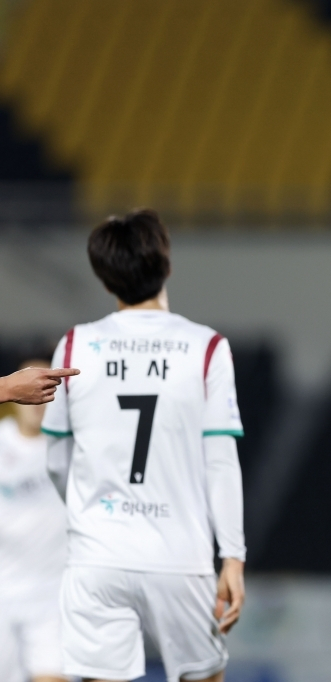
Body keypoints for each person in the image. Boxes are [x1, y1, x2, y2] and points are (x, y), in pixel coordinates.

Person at [42, 210, 246, 682]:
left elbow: (55, 460)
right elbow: (220, 460)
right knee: (205, 676)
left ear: (104, 278)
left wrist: (87, 510)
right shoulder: (206, 348)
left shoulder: (74, 346)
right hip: (180, 554)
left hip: (97, 554)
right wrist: (233, 556)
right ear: (166, 264)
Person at [0, 358, 69, 682]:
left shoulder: (72, 446)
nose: (39, 401)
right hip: (3, 590)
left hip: (52, 592)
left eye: (48, 389)